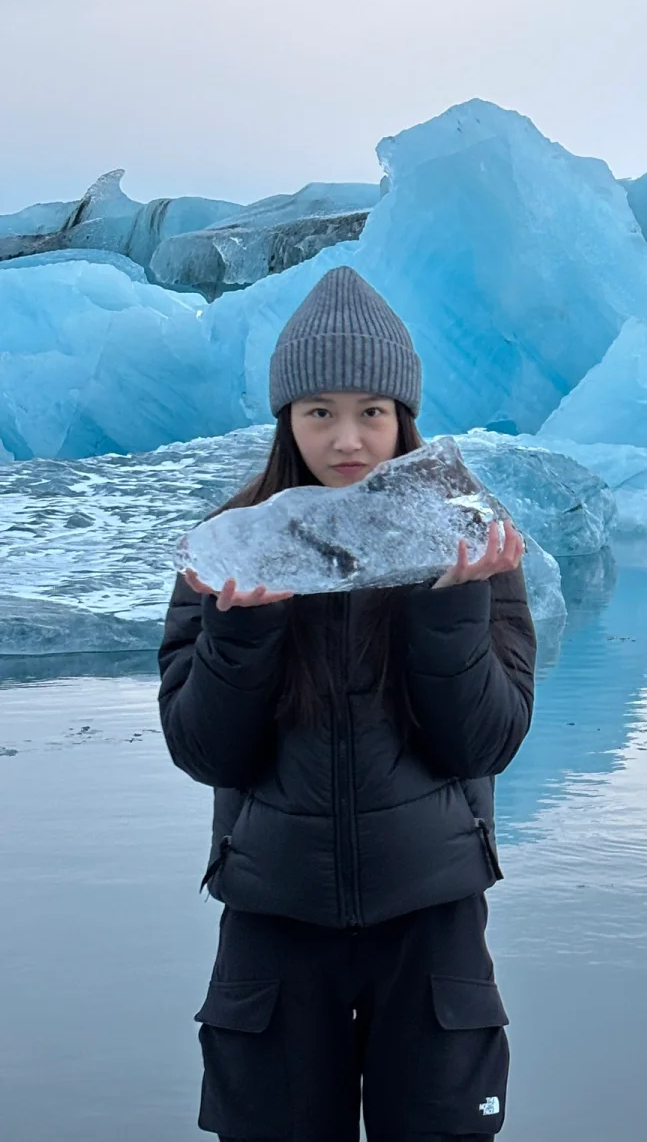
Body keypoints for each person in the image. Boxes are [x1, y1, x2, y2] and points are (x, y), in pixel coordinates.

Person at [157, 266, 537, 1142]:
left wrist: (448, 609)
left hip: (431, 925)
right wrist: (241, 637)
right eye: (319, 410)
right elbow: (206, 753)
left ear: (404, 417)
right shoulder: (227, 551)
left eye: (373, 410)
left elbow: (485, 741)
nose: (349, 438)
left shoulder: (473, 543)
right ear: (286, 420)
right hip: (275, 925)